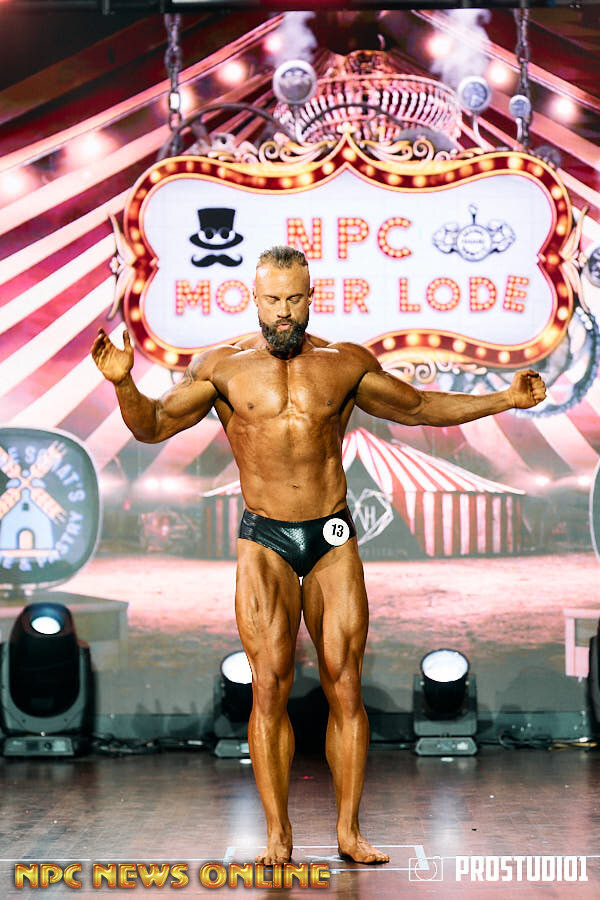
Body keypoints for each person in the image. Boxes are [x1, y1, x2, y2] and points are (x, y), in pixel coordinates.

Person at [91, 245, 547, 865]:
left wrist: (506, 400)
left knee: (346, 684)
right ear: (255, 300)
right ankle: (278, 837)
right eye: (272, 300)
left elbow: (419, 407)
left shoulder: (343, 364)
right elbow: (151, 426)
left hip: (331, 537)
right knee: (269, 686)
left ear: (311, 297)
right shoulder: (222, 368)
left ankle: (349, 832)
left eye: (293, 299)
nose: (283, 312)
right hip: (265, 541)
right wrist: (124, 383)